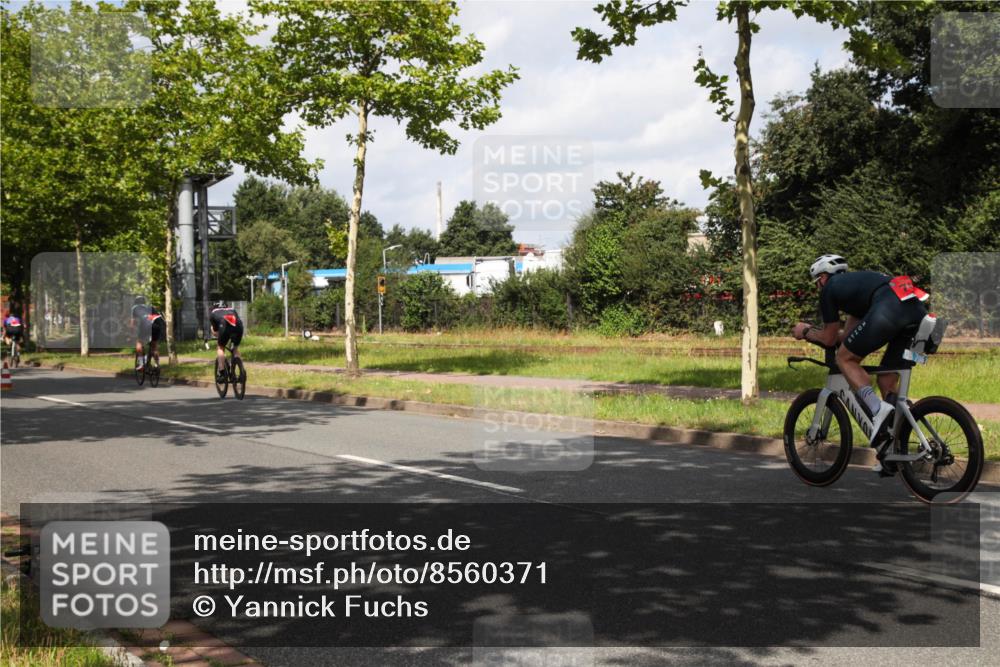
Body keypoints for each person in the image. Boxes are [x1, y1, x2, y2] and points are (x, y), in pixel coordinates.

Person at [791, 254, 929, 447]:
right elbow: (847, 338)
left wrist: (805, 331)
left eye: (817, 282)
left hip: (890, 309)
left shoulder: (829, 289)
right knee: (887, 379)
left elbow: (830, 339)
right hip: (917, 312)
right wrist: (820, 334)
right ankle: (894, 450)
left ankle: (876, 408)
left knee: (844, 359)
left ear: (823, 278)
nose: (817, 287)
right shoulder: (857, 290)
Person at [209, 301, 243, 375]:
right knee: (235, 348)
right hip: (239, 327)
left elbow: (215, 331)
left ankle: (221, 370)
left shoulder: (213, 313)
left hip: (224, 327)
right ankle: (241, 370)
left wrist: (216, 334)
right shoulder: (232, 309)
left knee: (220, 347)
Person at [131, 296, 165, 370]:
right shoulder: (151, 307)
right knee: (154, 346)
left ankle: (141, 364)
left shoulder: (135, 308)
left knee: (139, 343)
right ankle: (157, 364)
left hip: (146, 327)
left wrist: (132, 332)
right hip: (157, 326)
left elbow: (133, 322)